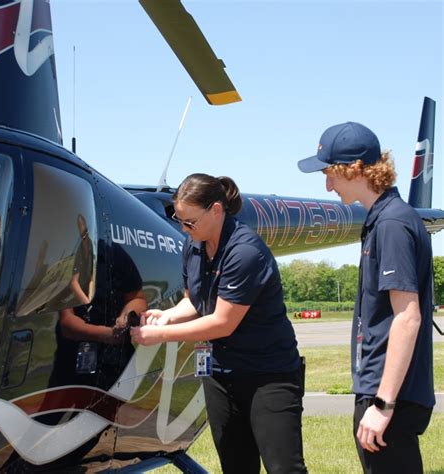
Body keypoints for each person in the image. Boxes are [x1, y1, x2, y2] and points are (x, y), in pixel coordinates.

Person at [130, 173, 307, 474]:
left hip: (267, 375)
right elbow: (195, 301)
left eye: (190, 222)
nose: (184, 229)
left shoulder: (245, 251)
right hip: (220, 375)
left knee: (284, 467)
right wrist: (167, 315)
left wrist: (159, 334)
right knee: (235, 466)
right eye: (179, 220)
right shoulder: (194, 245)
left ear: (216, 210)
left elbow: (222, 323)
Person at [297, 122, 435, 474]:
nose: (327, 184)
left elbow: (408, 316)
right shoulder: (383, 219)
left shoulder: (391, 224)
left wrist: (383, 404)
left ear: (355, 169)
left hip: (391, 396)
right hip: (385, 390)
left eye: (330, 173)